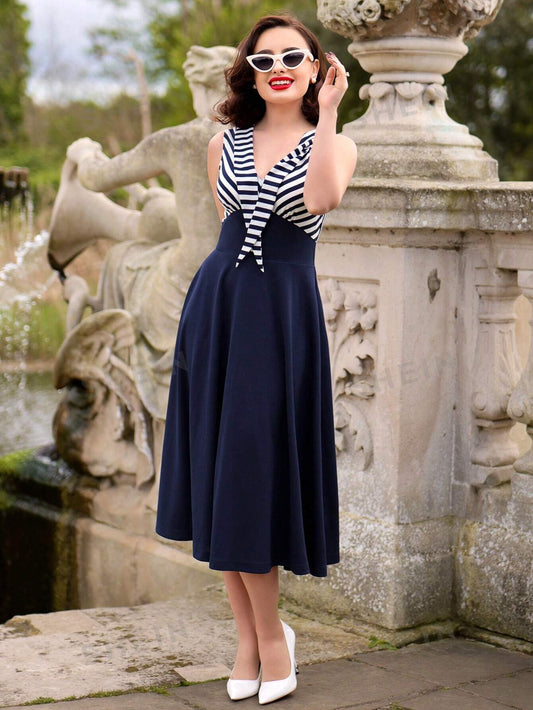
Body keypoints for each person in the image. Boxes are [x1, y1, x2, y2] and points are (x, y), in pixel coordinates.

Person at [155, 13, 357, 705]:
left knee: (252, 474)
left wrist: (326, 114)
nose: (276, 65)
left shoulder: (335, 143)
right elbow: (228, 226)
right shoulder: (224, 144)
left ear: (313, 67)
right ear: (247, 68)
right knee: (218, 473)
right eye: (263, 56)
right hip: (217, 314)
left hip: (281, 322)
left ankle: (273, 639)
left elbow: (321, 199)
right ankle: (250, 639)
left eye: (292, 56)